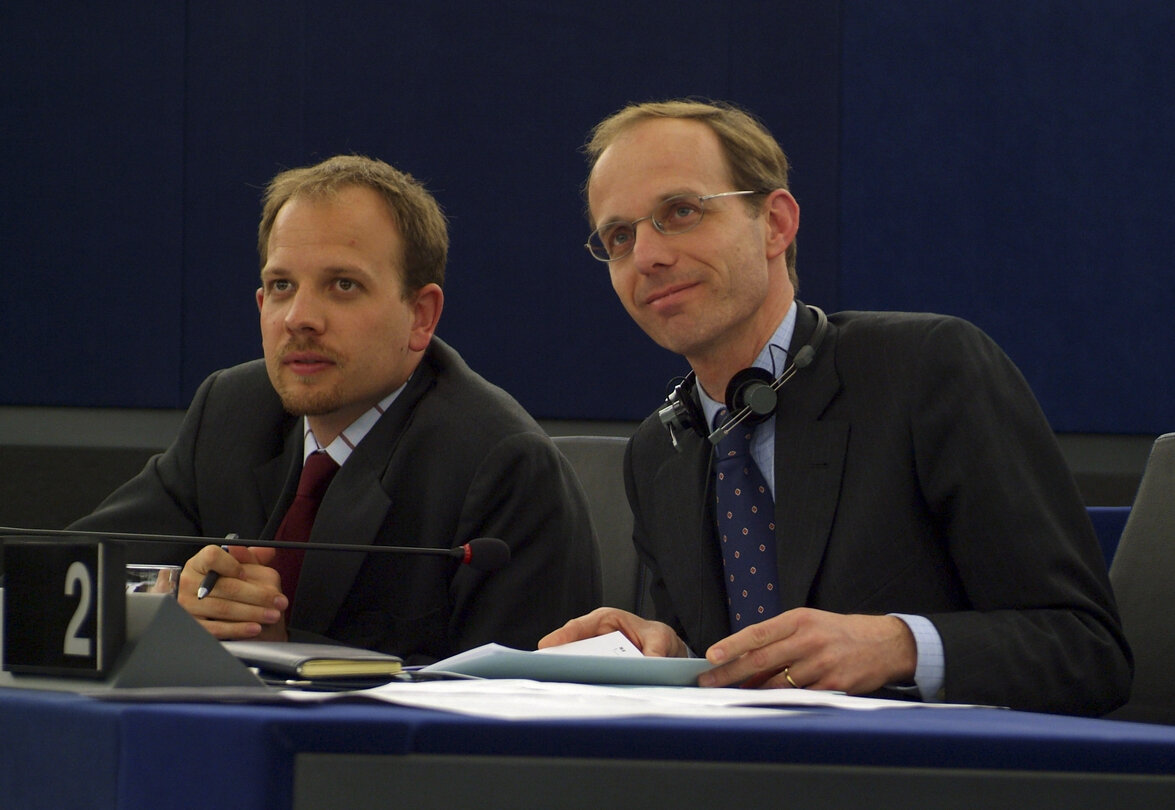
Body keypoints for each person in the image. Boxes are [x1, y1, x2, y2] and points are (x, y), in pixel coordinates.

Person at [539, 99, 1131, 716]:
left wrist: (902, 645)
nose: (647, 257)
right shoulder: (659, 450)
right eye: (620, 236)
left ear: (776, 223)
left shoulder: (927, 370)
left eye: (680, 212)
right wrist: (666, 655)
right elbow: (736, 678)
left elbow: (1088, 652)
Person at [73, 154, 599, 664]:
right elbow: (73, 569)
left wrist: (279, 652)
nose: (300, 318)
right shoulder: (231, 411)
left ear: (421, 316)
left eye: (342, 286)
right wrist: (167, 600)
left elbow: (510, 711)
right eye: (282, 286)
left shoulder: (502, 466)